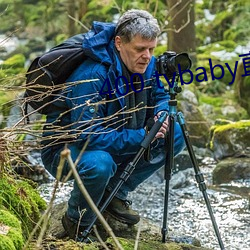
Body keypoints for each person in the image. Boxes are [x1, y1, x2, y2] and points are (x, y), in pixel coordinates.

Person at [41, 9, 185, 241]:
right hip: (67, 150)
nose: (147, 56)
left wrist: (161, 114)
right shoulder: (92, 75)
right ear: (119, 43)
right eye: (140, 49)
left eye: (152, 49)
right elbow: (87, 135)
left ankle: (115, 193)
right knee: (100, 164)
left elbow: (159, 94)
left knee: (175, 132)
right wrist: (142, 135)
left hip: (117, 135)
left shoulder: (145, 63)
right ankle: (76, 221)